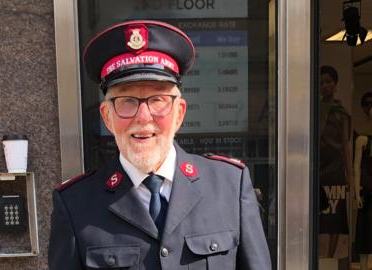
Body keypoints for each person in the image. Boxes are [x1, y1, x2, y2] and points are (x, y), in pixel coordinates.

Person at [48, 20, 271, 269]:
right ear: (107, 116)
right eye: (127, 101)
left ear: (179, 113)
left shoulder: (230, 187)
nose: (144, 117)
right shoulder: (75, 204)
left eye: (158, 99)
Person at [318, 65, 353, 260]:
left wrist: (350, 176)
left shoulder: (342, 113)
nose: (325, 86)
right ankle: (320, 257)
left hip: (336, 171)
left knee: (335, 219)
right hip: (319, 170)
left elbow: (346, 147)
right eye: (322, 82)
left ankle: (330, 258)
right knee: (320, 216)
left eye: (328, 82)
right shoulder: (314, 111)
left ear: (336, 84)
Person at [353, 92, 372, 270]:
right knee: (366, 234)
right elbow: (356, 168)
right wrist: (357, 193)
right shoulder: (362, 140)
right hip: (368, 193)